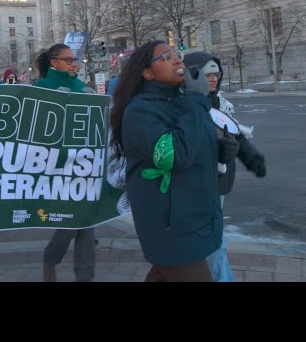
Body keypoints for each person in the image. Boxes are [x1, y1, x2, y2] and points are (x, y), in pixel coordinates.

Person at [109, 40, 239, 282]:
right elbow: (173, 157)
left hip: (195, 216)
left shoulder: (183, 102)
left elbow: (192, 144)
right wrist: (198, 100)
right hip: (171, 225)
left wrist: (220, 151)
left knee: (163, 275)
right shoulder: (141, 110)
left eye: (177, 55)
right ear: (147, 73)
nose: (178, 60)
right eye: (167, 58)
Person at [182, 51, 266, 282]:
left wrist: (251, 158)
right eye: (207, 74)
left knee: (211, 241)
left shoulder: (220, 103)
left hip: (219, 182)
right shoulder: (184, 106)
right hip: (197, 184)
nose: (213, 79)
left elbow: (235, 135)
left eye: (216, 74)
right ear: (192, 75)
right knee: (214, 243)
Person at [33, 43, 96, 282]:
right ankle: (50, 259)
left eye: (75, 60)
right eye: (68, 60)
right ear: (54, 62)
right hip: (58, 167)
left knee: (88, 225)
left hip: (86, 164)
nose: (73, 64)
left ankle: (85, 277)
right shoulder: (42, 87)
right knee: (72, 221)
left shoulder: (81, 85)